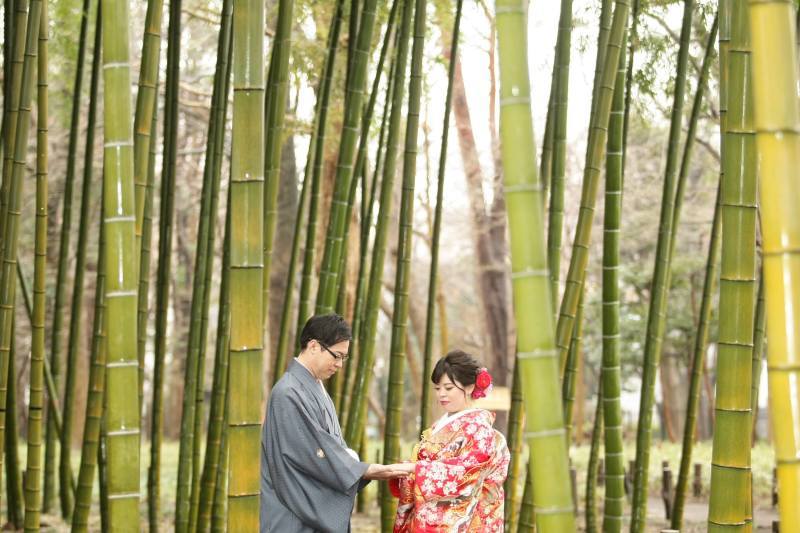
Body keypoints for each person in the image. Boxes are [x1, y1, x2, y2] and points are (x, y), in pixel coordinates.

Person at [260, 313, 410, 532]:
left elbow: (327, 449)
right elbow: (313, 455)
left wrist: (354, 465)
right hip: (293, 513)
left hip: (305, 510)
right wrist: (364, 469)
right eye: (336, 356)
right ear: (313, 346)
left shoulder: (313, 385)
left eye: (343, 358)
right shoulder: (288, 393)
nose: (340, 365)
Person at [390, 350, 510, 532]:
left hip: (463, 520)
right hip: (429, 512)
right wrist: (407, 469)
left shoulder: (479, 427)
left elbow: (467, 472)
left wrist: (416, 469)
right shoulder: (443, 423)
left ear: (469, 387)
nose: (441, 395)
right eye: (438, 389)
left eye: (448, 388)